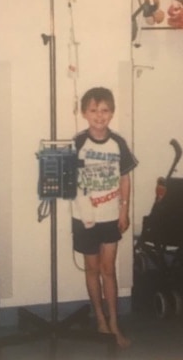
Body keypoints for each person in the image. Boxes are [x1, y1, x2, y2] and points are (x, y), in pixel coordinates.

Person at [72, 87, 138, 348]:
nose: (99, 116)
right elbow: (71, 182)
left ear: (111, 113)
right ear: (84, 113)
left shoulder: (118, 142)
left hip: (111, 216)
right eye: (93, 110)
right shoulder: (77, 142)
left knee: (108, 269)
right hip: (85, 217)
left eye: (104, 110)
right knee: (91, 268)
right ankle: (99, 319)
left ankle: (113, 323)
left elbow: (125, 179)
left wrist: (124, 210)